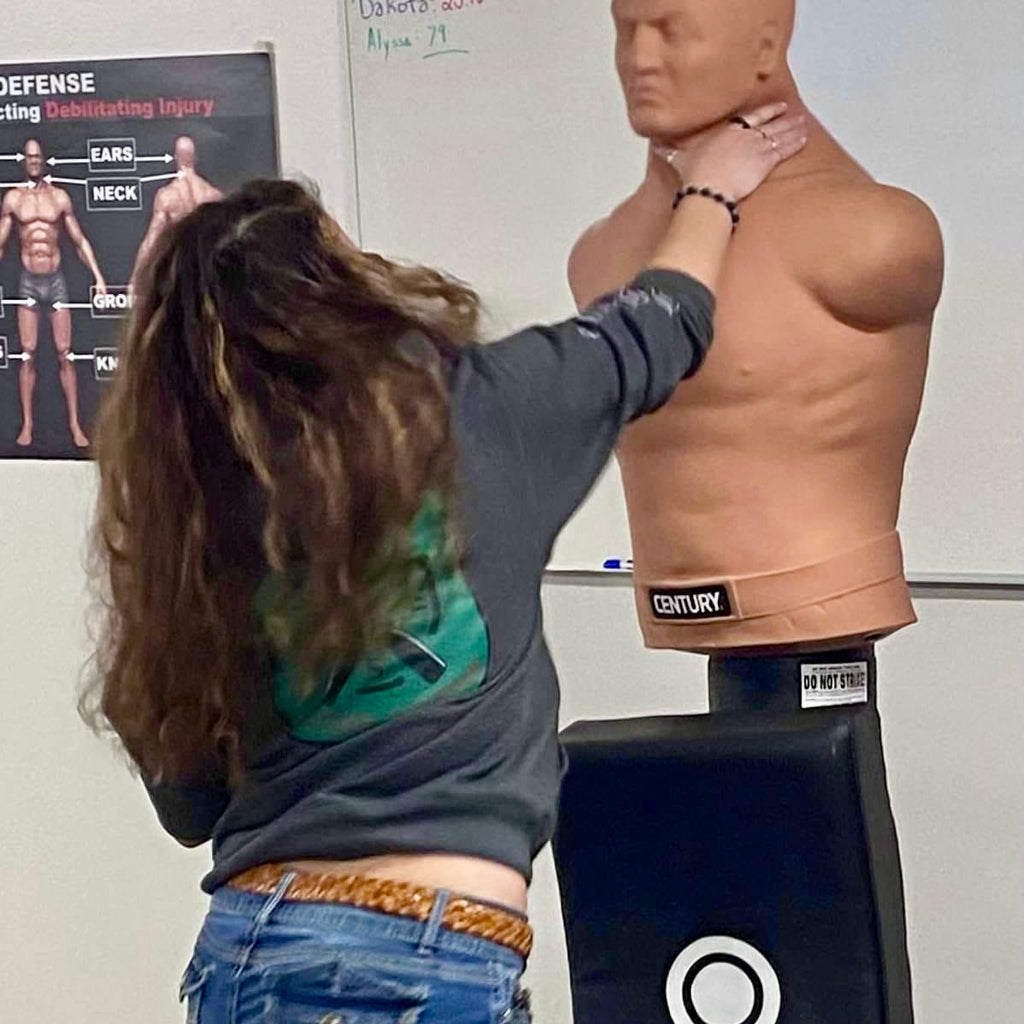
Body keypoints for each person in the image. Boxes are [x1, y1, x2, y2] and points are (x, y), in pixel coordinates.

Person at [82, 104, 805, 1023]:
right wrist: (710, 190)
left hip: (250, 947)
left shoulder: (193, 512)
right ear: (349, 295)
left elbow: (188, 807)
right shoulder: (482, 408)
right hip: (422, 959)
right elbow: (659, 326)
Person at [0, 137, 108, 447]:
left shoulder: (59, 197)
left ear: (43, 159)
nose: (34, 161)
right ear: (24, 160)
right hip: (28, 282)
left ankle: (75, 424)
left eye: (38, 156)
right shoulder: (13, 199)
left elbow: (79, 240)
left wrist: (99, 277)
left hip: (56, 280)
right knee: (27, 353)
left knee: (65, 352)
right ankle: (28, 425)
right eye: (30, 156)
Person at [130, 135, 223, 289]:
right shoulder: (213, 195)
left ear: (176, 158)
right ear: (195, 158)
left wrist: (135, 280)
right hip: (207, 273)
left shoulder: (168, 195)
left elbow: (151, 241)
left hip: (181, 272)